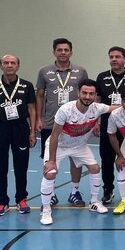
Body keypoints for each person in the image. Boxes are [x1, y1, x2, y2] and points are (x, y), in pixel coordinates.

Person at [39, 79, 116, 225]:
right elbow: (54, 135)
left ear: (95, 95)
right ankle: (46, 210)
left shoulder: (97, 108)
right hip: (59, 145)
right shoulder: (65, 110)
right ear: (78, 93)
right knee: (50, 173)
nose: (87, 96)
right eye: (84, 93)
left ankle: (94, 202)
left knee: (95, 168)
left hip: (79, 145)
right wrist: (52, 160)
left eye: (91, 94)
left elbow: (116, 108)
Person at [36, 38, 88, 207]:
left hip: (74, 123)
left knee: (76, 159)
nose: (63, 53)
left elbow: (86, 95)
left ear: (71, 52)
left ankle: (74, 192)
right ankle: (51, 194)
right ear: (54, 52)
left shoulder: (80, 71)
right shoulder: (44, 71)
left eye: (66, 50)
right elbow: (40, 96)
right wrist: (39, 119)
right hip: (50, 123)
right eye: (60, 50)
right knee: (49, 159)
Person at [0, 55, 37, 216]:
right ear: (1, 66)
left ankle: (21, 199)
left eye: (13, 63)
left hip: (20, 128)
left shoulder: (27, 85)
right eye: (6, 63)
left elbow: (32, 109)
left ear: (18, 66)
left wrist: (32, 132)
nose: (9, 65)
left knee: (21, 166)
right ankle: (2, 202)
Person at [95, 46, 125, 205]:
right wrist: (96, 121)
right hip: (107, 124)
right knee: (106, 159)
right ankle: (108, 190)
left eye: (118, 57)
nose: (114, 59)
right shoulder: (102, 77)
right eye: (111, 57)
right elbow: (97, 102)